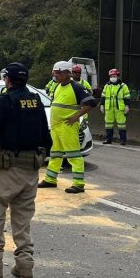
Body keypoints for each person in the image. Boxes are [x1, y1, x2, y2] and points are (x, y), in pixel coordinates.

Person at [0, 62, 51, 278]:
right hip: (30, 169)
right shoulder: (35, 100)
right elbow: (46, 134)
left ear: (8, 79)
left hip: (6, 170)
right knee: (23, 220)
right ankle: (25, 267)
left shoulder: (6, 100)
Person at [39, 61, 95, 193]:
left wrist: (76, 116)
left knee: (73, 155)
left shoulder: (77, 87)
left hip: (67, 127)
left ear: (66, 73)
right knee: (55, 154)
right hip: (56, 127)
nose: (55, 75)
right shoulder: (58, 87)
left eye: (58, 73)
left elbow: (91, 102)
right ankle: (50, 179)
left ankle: (78, 184)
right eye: (54, 72)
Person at [100, 68, 131, 145]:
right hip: (109, 108)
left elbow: (127, 96)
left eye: (114, 76)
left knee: (121, 124)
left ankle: (123, 140)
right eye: (111, 76)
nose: (112, 77)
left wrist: (127, 105)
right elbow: (103, 96)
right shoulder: (107, 86)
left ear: (118, 76)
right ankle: (108, 139)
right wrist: (102, 105)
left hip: (119, 108)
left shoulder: (123, 86)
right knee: (108, 124)